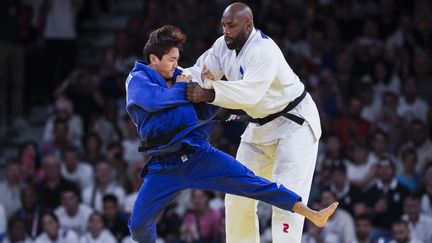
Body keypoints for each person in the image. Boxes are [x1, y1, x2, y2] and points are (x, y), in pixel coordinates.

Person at [125, 25, 338, 243]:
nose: (177, 65)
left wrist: (211, 87)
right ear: (153, 58)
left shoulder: (181, 76)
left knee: (249, 183)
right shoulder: (138, 79)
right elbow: (156, 101)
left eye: (178, 59)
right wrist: (183, 89)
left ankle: (311, 213)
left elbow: (204, 110)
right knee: (139, 225)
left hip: (197, 154)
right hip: (164, 165)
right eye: (171, 59)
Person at [184, 2, 322, 242]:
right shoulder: (221, 45)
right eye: (223, 25)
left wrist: (207, 93)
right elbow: (198, 71)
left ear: (248, 24)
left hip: (294, 123)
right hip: (259, 126)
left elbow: (250, 94)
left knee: (286, 198)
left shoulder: (263, 50)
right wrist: (172, 75)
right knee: (237, 196)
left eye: (231, 25)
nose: (226, 30)